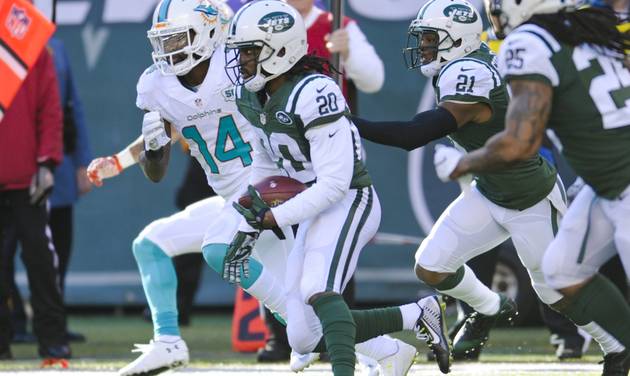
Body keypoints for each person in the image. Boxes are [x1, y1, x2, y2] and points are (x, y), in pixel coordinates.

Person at [88, 1, 423, 375]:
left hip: (268, 190)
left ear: (208, 33)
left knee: (229, 257)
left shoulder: (238, 67)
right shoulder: (157, 85)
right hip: (231, 197)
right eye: (163, 42)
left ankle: (352, 333)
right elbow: (157, 167)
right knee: (151, 244)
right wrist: (143, 153)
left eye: (178, 39)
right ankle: (169, 342)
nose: (170, 50)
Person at [350, 0, 625, 367]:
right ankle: (490, 307)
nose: (425, 47)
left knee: (555, 288)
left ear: (457, 39)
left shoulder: (470, 70)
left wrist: (351, 123)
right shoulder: (472, 59)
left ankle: (616, 345)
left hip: (530, 197)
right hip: (489, 190)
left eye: (431, 39)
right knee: (430, 265)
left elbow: (414, 134)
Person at [223, 1, 453, 375]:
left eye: (250, 51)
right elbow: (266, 162)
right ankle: (415, 315)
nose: (242, 61)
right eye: (241, 52)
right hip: (311, 203)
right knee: (301, 334)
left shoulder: (314, 91)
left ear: (279, 50)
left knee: (318, 287)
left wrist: (274, 217)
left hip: (349, 199)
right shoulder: (253, 95)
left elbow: (333, 185)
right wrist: (250, 209)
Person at [442, 0, 630, 373]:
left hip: (622, 182)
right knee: (561, 270)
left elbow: (519, 143)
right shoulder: (586, 27)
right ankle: (624, 349)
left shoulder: (528, 40)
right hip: (606, 182)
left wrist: (462, 162)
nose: (493, 13)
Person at [255, 0, 385, 363]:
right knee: (283, 255)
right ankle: (280, 335)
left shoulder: (334, 24)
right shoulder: (259, 21)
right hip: (289, 160)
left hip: (329, 156)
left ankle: (341, 345)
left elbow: (374, 79)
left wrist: (350, 54)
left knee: (332, 263)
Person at [0, 47, 70, 360]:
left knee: (41, 262)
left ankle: (53, 340)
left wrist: (47, 162)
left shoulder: (32, 47)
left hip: (28, 180)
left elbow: (50, 108)